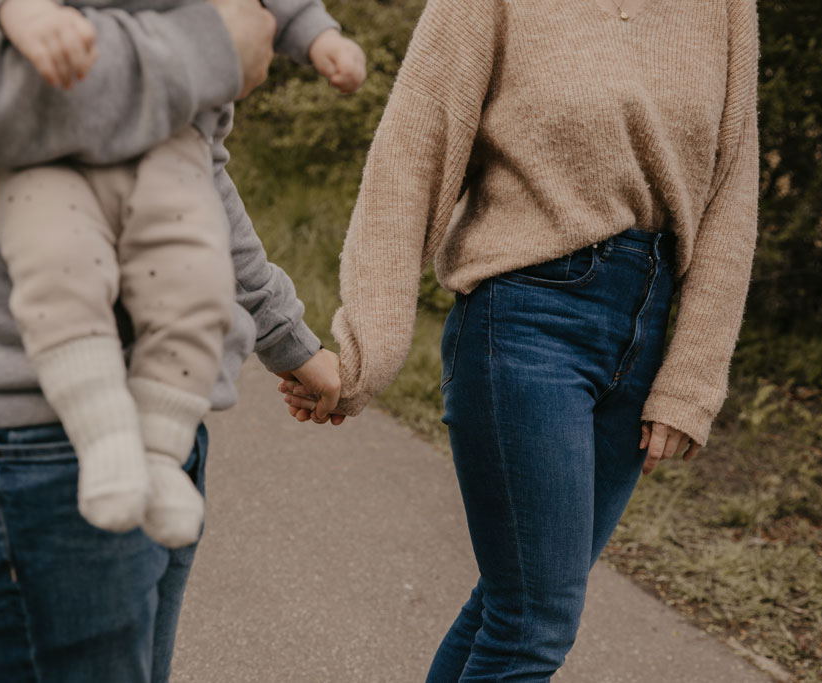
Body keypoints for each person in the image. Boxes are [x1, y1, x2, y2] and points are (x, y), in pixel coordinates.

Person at [0, 0, 344, 679]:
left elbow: (188, 159)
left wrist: (286, 335)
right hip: (27, 424)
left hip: (164, 414)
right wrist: (210, 46)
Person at [283, 0, 759, 679]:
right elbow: (411, 154)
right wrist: (367, 353)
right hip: (528, 320)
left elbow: (733, 188)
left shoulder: (726, 9)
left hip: (645, 331)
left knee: (510, 608)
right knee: (534, 622)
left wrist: (692, 376)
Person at [0, 0, 365, 548]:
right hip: (53, 146)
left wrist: (318, 37)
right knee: (60, 276)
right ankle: (105, 438)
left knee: (197, 291)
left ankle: (160, 454)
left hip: (177, 147)